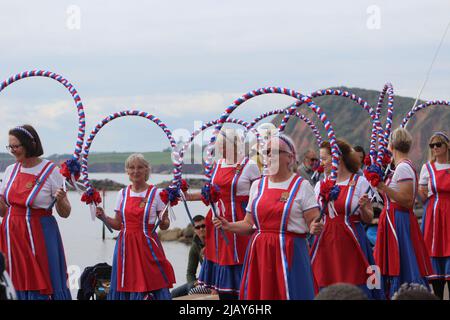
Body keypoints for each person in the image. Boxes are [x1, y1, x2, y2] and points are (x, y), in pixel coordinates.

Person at [213, 134, 322, 300]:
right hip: (260, 252)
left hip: (290, 251)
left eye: (273, 151)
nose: (268, 155)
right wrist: (228, 226)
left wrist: (315, 226)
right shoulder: (258, 185)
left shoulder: (302, 185)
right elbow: (249, 224)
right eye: (266, 151)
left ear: (289, 157)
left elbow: (314, 221)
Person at [185, 129, 261, 300]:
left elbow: (259, 195)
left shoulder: (249, 165)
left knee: (241, 261)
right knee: (221, 272)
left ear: (236, 144)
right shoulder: (218, 164)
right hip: (217, 221)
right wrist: (188, 196)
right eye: (220, 146)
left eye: (225, 145)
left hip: (241, 218)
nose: (222, 149)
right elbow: (210, 194)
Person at [0, 125, 71, 300]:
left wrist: (61, 200)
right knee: (13, 280)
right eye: (10, 147)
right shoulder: (10, 170)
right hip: (11, 236)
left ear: (30, 144)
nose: (14, 151)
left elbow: (65, 213)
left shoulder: (51, 171)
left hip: (40, 235)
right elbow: (3, 211)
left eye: (17, 146)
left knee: (43, 282)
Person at [96, 153, 175, 300]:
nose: (135, 171)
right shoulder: (122, 193)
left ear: (146, 170)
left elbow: (164, 225)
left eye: (140, 167)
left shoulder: (157, 193)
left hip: (148, 245)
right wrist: (103, 217)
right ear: (127, 171)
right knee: (126, 282)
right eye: (131, 167)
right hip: (125, 247)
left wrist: (164, 220)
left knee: (153, 281)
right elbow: (118, 224)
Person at [311, 140, 382, 299]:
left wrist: (364, 208)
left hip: (352, 240)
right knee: (326, 282)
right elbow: (315, 215)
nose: (321, 164)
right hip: (326, 241)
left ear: (338, 158)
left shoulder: (359, 182)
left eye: (324, 159)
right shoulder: (320, 184)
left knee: (356, 281)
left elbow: (368, 218)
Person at [374, 127, 433, 299]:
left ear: (391, 146)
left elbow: (407, 201)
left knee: (402, 262)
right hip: (393, 218)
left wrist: (383, 187)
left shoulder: (403, 169)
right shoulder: (399, 167)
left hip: (398, 220)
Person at [418, 131, 450, 299]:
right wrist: (419, 190)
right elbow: (423, 196)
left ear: (447, 146)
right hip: (434, 214)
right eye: (432, 145)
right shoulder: (427, 167)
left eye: (438, 144)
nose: (435, 148)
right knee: (435, 255)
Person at [171, 215, 211, 298]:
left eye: (203, 226)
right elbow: (190, 272)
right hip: (201, 280)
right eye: (198, 227)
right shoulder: (195, 245)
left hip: (212, 281)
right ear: (194, 229)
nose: (201, 229)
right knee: (173, 293)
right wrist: (193, 282)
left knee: (192, 290)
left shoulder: (214, 241)